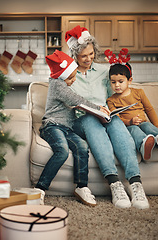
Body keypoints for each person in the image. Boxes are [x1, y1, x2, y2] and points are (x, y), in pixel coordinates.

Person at [65, 25, 149, 209]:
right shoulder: (68, 75)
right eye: (83, 56)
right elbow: (66, 102)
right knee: (90, 121)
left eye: (91, 53)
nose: (88, 59)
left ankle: (135, 183)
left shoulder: (104, 72)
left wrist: (111, 110)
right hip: (82, 120)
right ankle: (114, 184)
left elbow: (119, 90)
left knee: (117, 123)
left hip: (105, 115)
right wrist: (89, 108)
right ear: (75, 56)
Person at [34, 50, 106, 206]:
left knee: (82, 146)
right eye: (71, 77)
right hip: (52, 126)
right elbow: (76, 99)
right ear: (61, 75)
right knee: (62, 151)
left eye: (74, 76)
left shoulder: (63, 83)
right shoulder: (57, 85)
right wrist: (98, 109)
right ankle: (40, 188)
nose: (73, 80)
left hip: (66, 128)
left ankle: (81, 186)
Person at [106, 51, 158, 161]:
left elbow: (149, 109)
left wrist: (157, 124)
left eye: (120, 81)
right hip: (129, 126)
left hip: (143, 121)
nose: (117, 85)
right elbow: (115, 118)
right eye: (113, 82)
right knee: (134, 131)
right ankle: (144, 145)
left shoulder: (139, 92)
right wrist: (129, 122)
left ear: (129, 80)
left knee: (148, 127)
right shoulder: (111, 100)